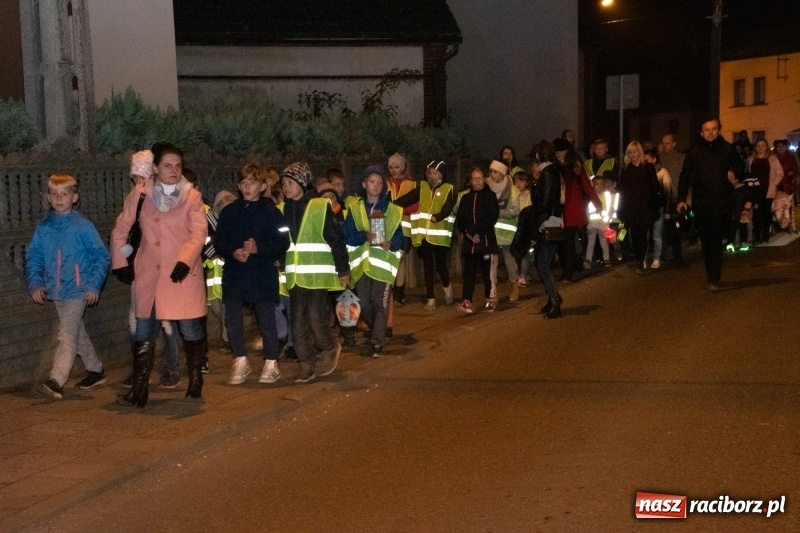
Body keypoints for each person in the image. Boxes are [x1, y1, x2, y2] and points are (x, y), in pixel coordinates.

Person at [111, 142, 208, 407]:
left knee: (188, 326)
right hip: (150, 273)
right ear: (155, 168)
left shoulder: (192, 196)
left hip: (181, 274)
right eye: (167, 165)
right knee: (144, 329)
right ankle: (140, 389)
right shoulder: (141, 194)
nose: (174, 171)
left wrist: (186, 260)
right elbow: (122, 228)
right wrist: (120, 261)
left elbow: (199, 232)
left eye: (178, 166)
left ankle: (196, 379)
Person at [27, 174, 110, 399]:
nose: (59, 198)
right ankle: (96, 370)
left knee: (66, 334)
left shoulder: (83, 226)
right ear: (48, 197)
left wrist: (93, 285)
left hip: (78, 289)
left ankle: (57, 379)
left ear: (74, 197)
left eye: (64, 194)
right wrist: (35, 282)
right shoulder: (44, 226)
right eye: (54, 194)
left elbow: (101, 256)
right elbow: (34, 255)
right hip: (56, 290)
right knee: (76, 332)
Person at [214, 164, 290, 385]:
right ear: (238, 186)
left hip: (262, 274)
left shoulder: (272, 213)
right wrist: (232, 251)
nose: (247, 187)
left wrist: (259, 249)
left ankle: (271, 362)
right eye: (244, 183)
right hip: (235, 274)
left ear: (263, 186)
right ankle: (240, 359)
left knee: (266, 320)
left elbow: (283, 242)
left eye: (253, 183)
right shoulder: (229, 212)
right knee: (233, 319)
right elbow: (219, 241)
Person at [281, 162, 350, 383]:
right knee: (297, 322)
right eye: (283, 183)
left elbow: (336, 240)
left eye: (290, 182)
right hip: (295, 276)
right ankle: (306, 364)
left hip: (318, 276)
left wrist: (343, 269)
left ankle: (329, 347)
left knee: (313, 315)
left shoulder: (321, 207)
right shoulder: (283, 210)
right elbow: (281, 242)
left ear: (302, 183)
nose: (285, 187)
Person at [119, 150, 182, 389]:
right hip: (141, 269)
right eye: (135, 178)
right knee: (137, 321)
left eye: (142, 177)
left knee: (166, 321)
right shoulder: (134, 198)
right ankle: (140, 370)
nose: (138, 183)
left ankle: (170, 368)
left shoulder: (162, 198)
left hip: (163, 269)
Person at [676, 118, 746, 291]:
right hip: (701, 204)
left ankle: (714, 278)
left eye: (714, 129)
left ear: (719, 130)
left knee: (715, 240)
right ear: (701, 132)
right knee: (706, 241)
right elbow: (684, 176)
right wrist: (681, 199)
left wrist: (734, 174)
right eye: (707, 130)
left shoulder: (727, 149)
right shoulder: (694, 152)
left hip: (722, 202)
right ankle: (711, 275)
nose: (711, 132)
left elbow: (741, 168)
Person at [343, 165, 404, 356]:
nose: (375, 186)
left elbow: (401, 238)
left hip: (384, 266)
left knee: (381, 303)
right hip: (362, 267)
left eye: (379, 183)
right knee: (365, 304)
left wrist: (391, 243)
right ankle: (374, 329)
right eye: (372, 182)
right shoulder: (355, 209)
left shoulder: (392, 210)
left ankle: (377, 342)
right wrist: (364, 236)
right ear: (364, 184)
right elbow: (347, 236)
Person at [395, 160, 456, 310]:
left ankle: (447, 288)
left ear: (442, 174)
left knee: (441, 265)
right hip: (424, 235)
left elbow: (448, 207)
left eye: (435, 173)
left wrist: (439, 216)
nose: (432, 176)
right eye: (430, 172)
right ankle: (431, 298)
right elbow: (408, 198)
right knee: (428, 266)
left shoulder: (449, 188)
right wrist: (392, 204)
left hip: (440, 235)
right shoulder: (421, 187)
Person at [555, 139, 601, 282]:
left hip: (572, 207)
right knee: (563, 242)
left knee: (568, 241)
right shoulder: (555, 165)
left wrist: (597, 202)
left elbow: (586, 185)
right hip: (561, 207)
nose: (557, 154)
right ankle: (574, 266)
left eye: (560, 151)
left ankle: (568, 273)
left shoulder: (575, 165)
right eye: (556, 151)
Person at [527, 140, 564, 318]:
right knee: (542, 262)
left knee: (542, 263)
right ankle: (552, 298)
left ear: (539, 155)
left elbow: (543, 200)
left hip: (548, 221)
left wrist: (534, 186)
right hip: (550, 219)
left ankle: (555, 300)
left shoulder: (547, 174)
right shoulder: (551, 172)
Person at [455, 166, 498, 314]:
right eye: (474, 178)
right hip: (470, 243)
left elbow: (491, 217)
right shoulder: (465, 198)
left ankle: (490, 299)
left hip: (486, 241)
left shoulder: (490, 196)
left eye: (479, 178)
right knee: (469, 273)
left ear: (485, 179)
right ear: (470, 180)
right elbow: (460, 219)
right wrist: (469, 234)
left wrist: (477, 231)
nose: (477, 181)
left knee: (488, 273)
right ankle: (467, 300)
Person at [618, 142, 662, 274]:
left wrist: (656, 205)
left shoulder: (648, 167)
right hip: (631, 208)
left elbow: (654, 187)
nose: (632, 155)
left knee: (642, 235)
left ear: (640, 152)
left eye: (635, 152)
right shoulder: (626, 170)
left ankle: (639, 262)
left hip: (645, 207)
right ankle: (638, 257)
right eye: (630, 152)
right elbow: (622, 191)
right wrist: (621, 209)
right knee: (633, 236)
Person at [386, 152, 417, 305]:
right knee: (391, 259)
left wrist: (397, 209)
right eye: (390, 167)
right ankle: (391, 292)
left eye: (396, 166)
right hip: (389, 227)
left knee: (401, 259)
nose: (393, 170)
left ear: (403, 167)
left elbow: (416, 206)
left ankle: (399, 292)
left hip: (405, 228)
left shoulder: (412, 184)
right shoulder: (385, 184)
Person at [488, 159, 520, 303]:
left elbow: (515, 210)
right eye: (491, 171)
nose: (492, 174)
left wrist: (498, 212)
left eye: (495, 172)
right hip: (491, 230)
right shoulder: (487, 187)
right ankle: (493, 290)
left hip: (507, 231)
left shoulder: (513, 189)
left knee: (509, 261)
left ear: (502, 173)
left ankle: (514, 285)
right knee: (492, 262)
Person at [747, 138, 783, 244]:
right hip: (755, 191)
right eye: (758, 146)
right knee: (757, 214)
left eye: (763, 145)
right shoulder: (751, 159)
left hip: (768, 190)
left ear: (766, 147)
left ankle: (766, 235)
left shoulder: (772, 159)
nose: (760, 148)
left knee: (766, 214)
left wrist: (774, 183)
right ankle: (758, 236)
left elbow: (779, 173)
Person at [659, 133, 686, 266]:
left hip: (677, 199)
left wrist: (687, 196)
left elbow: (687, 178)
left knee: (676, 228)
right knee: (663, 229)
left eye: (667, 143)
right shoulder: (659, 159)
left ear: (674, 144)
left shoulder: (681, 158)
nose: (665, 146)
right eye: (663, 143)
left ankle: (678, 255)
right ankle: (665, 254)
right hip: (663, 200)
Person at [643, 148, 672, 269]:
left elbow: (668, 192)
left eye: (647, 160)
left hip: (658, 207)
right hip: (645, 207)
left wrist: (667, 210)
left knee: (656, 235)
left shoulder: (662, 173)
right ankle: (642, 259)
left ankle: (656, 258)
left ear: (654, 160)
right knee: (644, 235)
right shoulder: (643, 172)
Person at [584, 176, 611, 268]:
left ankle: (606, 259)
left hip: (602, 224)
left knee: (603, 242)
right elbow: (587, 211)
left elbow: (609, 210)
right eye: (597, 184)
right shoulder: (589, 197)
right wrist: (588, 225)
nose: (599, 186)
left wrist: (606, 224)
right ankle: (588, 260)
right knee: (591, 242)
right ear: (593, 185)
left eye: (601, 184)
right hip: (592, 224)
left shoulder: (606, 196)